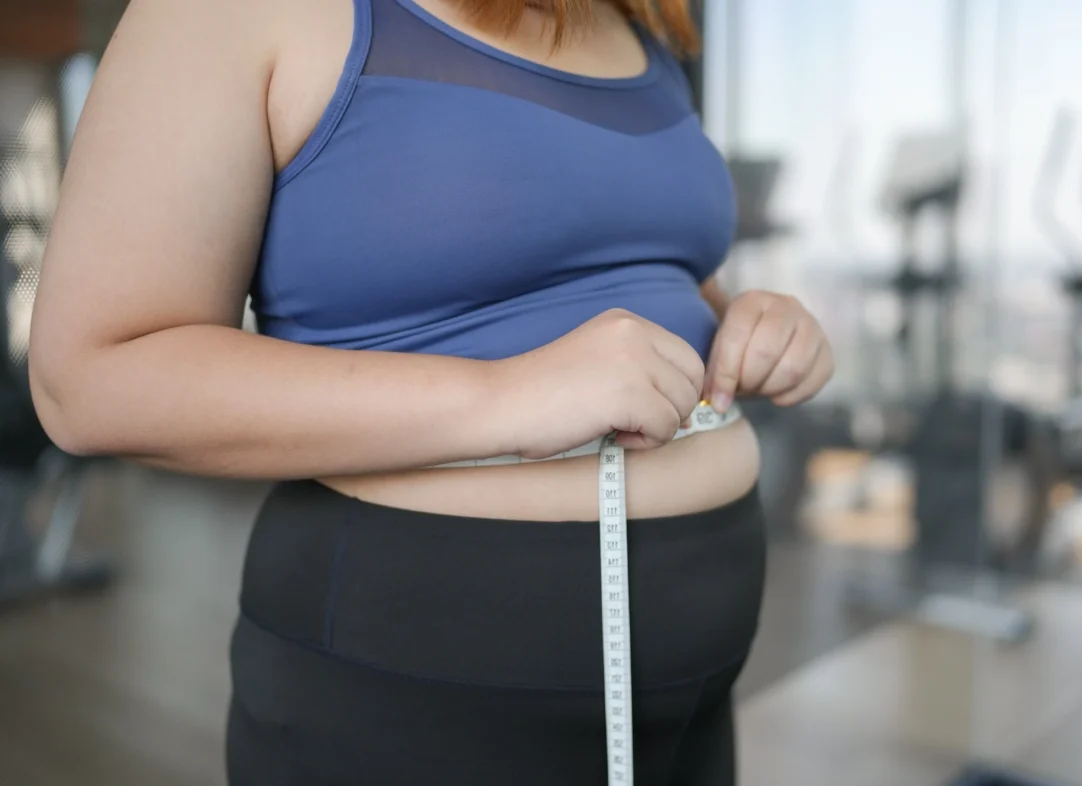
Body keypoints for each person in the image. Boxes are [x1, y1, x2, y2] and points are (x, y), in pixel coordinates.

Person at [28, 0, 833, 783]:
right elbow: (91, 378)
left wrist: (744, 320)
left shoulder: (634, 18)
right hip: (413, 679)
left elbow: (637, 262)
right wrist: (505, 396)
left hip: (701, 689)